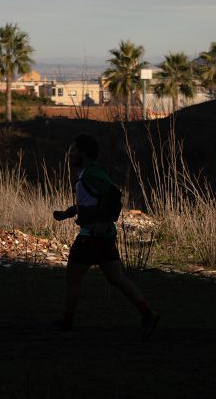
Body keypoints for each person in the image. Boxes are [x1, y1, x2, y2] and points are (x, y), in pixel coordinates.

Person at [51, 133, 160, 340]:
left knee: (73, 279)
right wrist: (70, 212)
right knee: (116, 278)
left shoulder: (91, 173)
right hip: (103, 236)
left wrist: (101, 221)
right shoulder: (88, 173)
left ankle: (66, 323)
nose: (71, 155)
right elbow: (95, 201)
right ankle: (149, 314)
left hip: (91, 236)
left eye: (73, 151)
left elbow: (113, 194)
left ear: (83, 153)